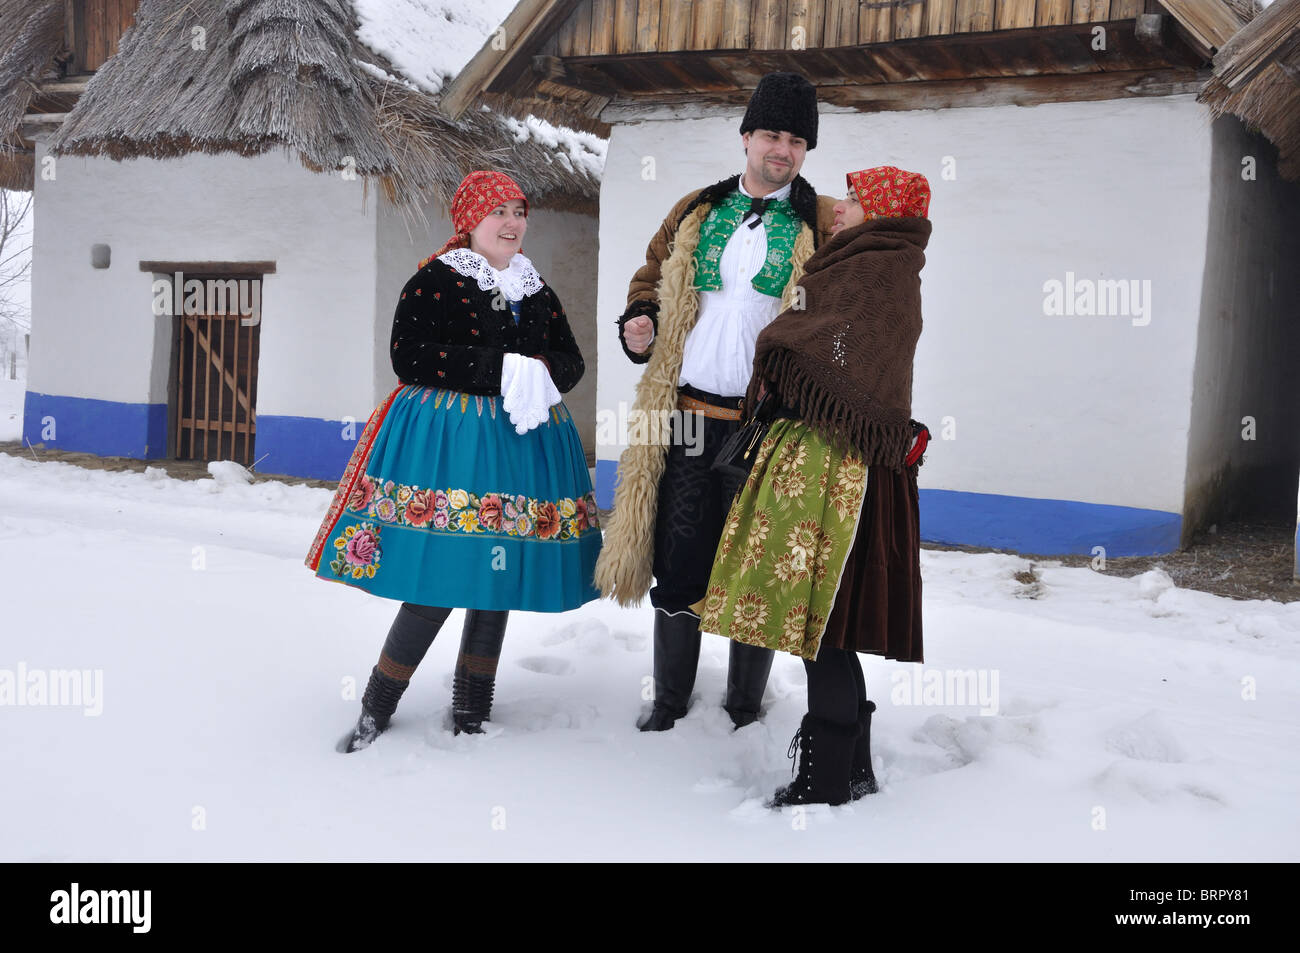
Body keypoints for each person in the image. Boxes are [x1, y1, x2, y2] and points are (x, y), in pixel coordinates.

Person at [305, 170, 603, 750]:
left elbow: (571, 360)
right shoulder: (436, 281)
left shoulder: (534, 287)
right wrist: (502, 369)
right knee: (441, 571)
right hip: (449, 442)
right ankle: (378, 704)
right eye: (500, 212)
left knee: (499, 574)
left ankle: (471, 708)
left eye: (520, 211)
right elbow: (409, 356)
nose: (513, 223)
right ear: (470, 221)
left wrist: (540, 373)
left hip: (523, 441)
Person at [595, 73, 837, 732]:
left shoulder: (822, 221)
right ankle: (670, 698)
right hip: (693, 418)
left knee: (752, 564)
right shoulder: (698, 209)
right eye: (771, 134)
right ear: (746, 137)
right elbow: (649, 276)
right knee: (680, 556)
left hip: (768, 427)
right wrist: (638, 321)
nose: (782, 149)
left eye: (795, 139)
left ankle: (743, 704)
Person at [695, 166, 932, 805]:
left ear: (881, 211)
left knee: (821, 628)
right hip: (844, 467)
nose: (841, 208)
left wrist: (776, 345)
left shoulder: (872, 269)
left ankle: (826, 778)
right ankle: (851, 767)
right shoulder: (878, 265)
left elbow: (826, 358)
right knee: (830, 628)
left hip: (834, 474)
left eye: (856, 200)